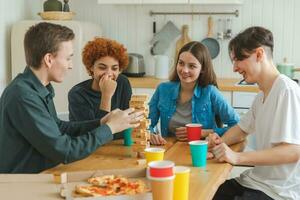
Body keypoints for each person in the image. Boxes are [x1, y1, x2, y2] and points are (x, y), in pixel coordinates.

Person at [0, 22, 143, 173]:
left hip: (43, 174)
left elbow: (59, 127)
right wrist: (109, 128)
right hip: (21, 184)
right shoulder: (23, 96)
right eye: (68, 58)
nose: (70, 65)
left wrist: (102, 122)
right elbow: (64, 150)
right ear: (49, 59)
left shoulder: (37, 88)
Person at [209, 26, 300, 200]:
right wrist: (218, 145)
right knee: (207, 193)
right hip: (256, 181)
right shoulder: (261, 95)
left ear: (259, 55)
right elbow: (241, 129)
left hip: (278, 192)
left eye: (238, 60)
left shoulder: (286, 90)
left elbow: (293, 151)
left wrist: (237, 157)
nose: (235, 68)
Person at [149, 41, 239, 145]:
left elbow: (237, 126)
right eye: (181, 63)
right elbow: (146, 123)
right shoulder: (162, 90)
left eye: (191, 66)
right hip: (169, 151)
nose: (184, 70)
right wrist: (151, 134)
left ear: (203, 69)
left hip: (204, 153)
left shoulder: (210, 92)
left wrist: (202, 133)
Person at [68, 37, 132, 122]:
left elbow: (128, 120)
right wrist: (106, 95)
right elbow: (98, 132)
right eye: (102, 67)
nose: (109, 73)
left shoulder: (122, 83)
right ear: (91, 67)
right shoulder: (77, 94)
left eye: (114, 68)